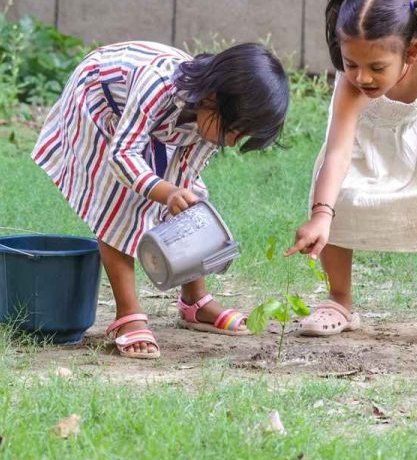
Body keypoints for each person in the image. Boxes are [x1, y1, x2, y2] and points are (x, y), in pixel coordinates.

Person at [33, 41, 289, 359]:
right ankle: (127, 314)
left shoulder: (212, 119)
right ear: (213, 98)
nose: (234, 142)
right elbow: (122, 154)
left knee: (190, 206)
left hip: (146, 126)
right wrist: (165, 192)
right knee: (119, 203)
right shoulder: (156, 85)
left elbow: (183, 177)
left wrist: (176, 199)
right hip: (96, 101)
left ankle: (195, 303)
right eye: (235, 130)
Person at [287, 0, 417, 348]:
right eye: (351, 64)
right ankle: (340, 300)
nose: (362, 77)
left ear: (411, 52)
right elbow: (337, 153)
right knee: (340, 191)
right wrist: (321, 214)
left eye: (376, 67)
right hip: (373, 133)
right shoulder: (353, 87)